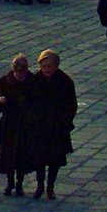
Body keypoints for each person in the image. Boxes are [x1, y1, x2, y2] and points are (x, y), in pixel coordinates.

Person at [30, 50, 77, 199]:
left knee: (55, 159)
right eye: (43, 66)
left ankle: (50, 187)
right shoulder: (35, 80)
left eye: (49, 66)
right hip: (40, 126)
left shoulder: (65, 81)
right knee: (39, 159)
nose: (46, 69)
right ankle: (39, 185)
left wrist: (65, 120)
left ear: (56, 66)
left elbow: (71, 105)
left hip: (57, 127)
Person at [0, 54, 37, 196]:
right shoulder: (5, 81)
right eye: (18, 71)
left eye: (22, 71)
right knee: (8, 155)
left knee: (22, 155)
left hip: (25, 124)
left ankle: (19, 183)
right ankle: (10, 181)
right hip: (9, 124)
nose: (20, 74)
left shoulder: (32, 81)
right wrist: (0, 100)